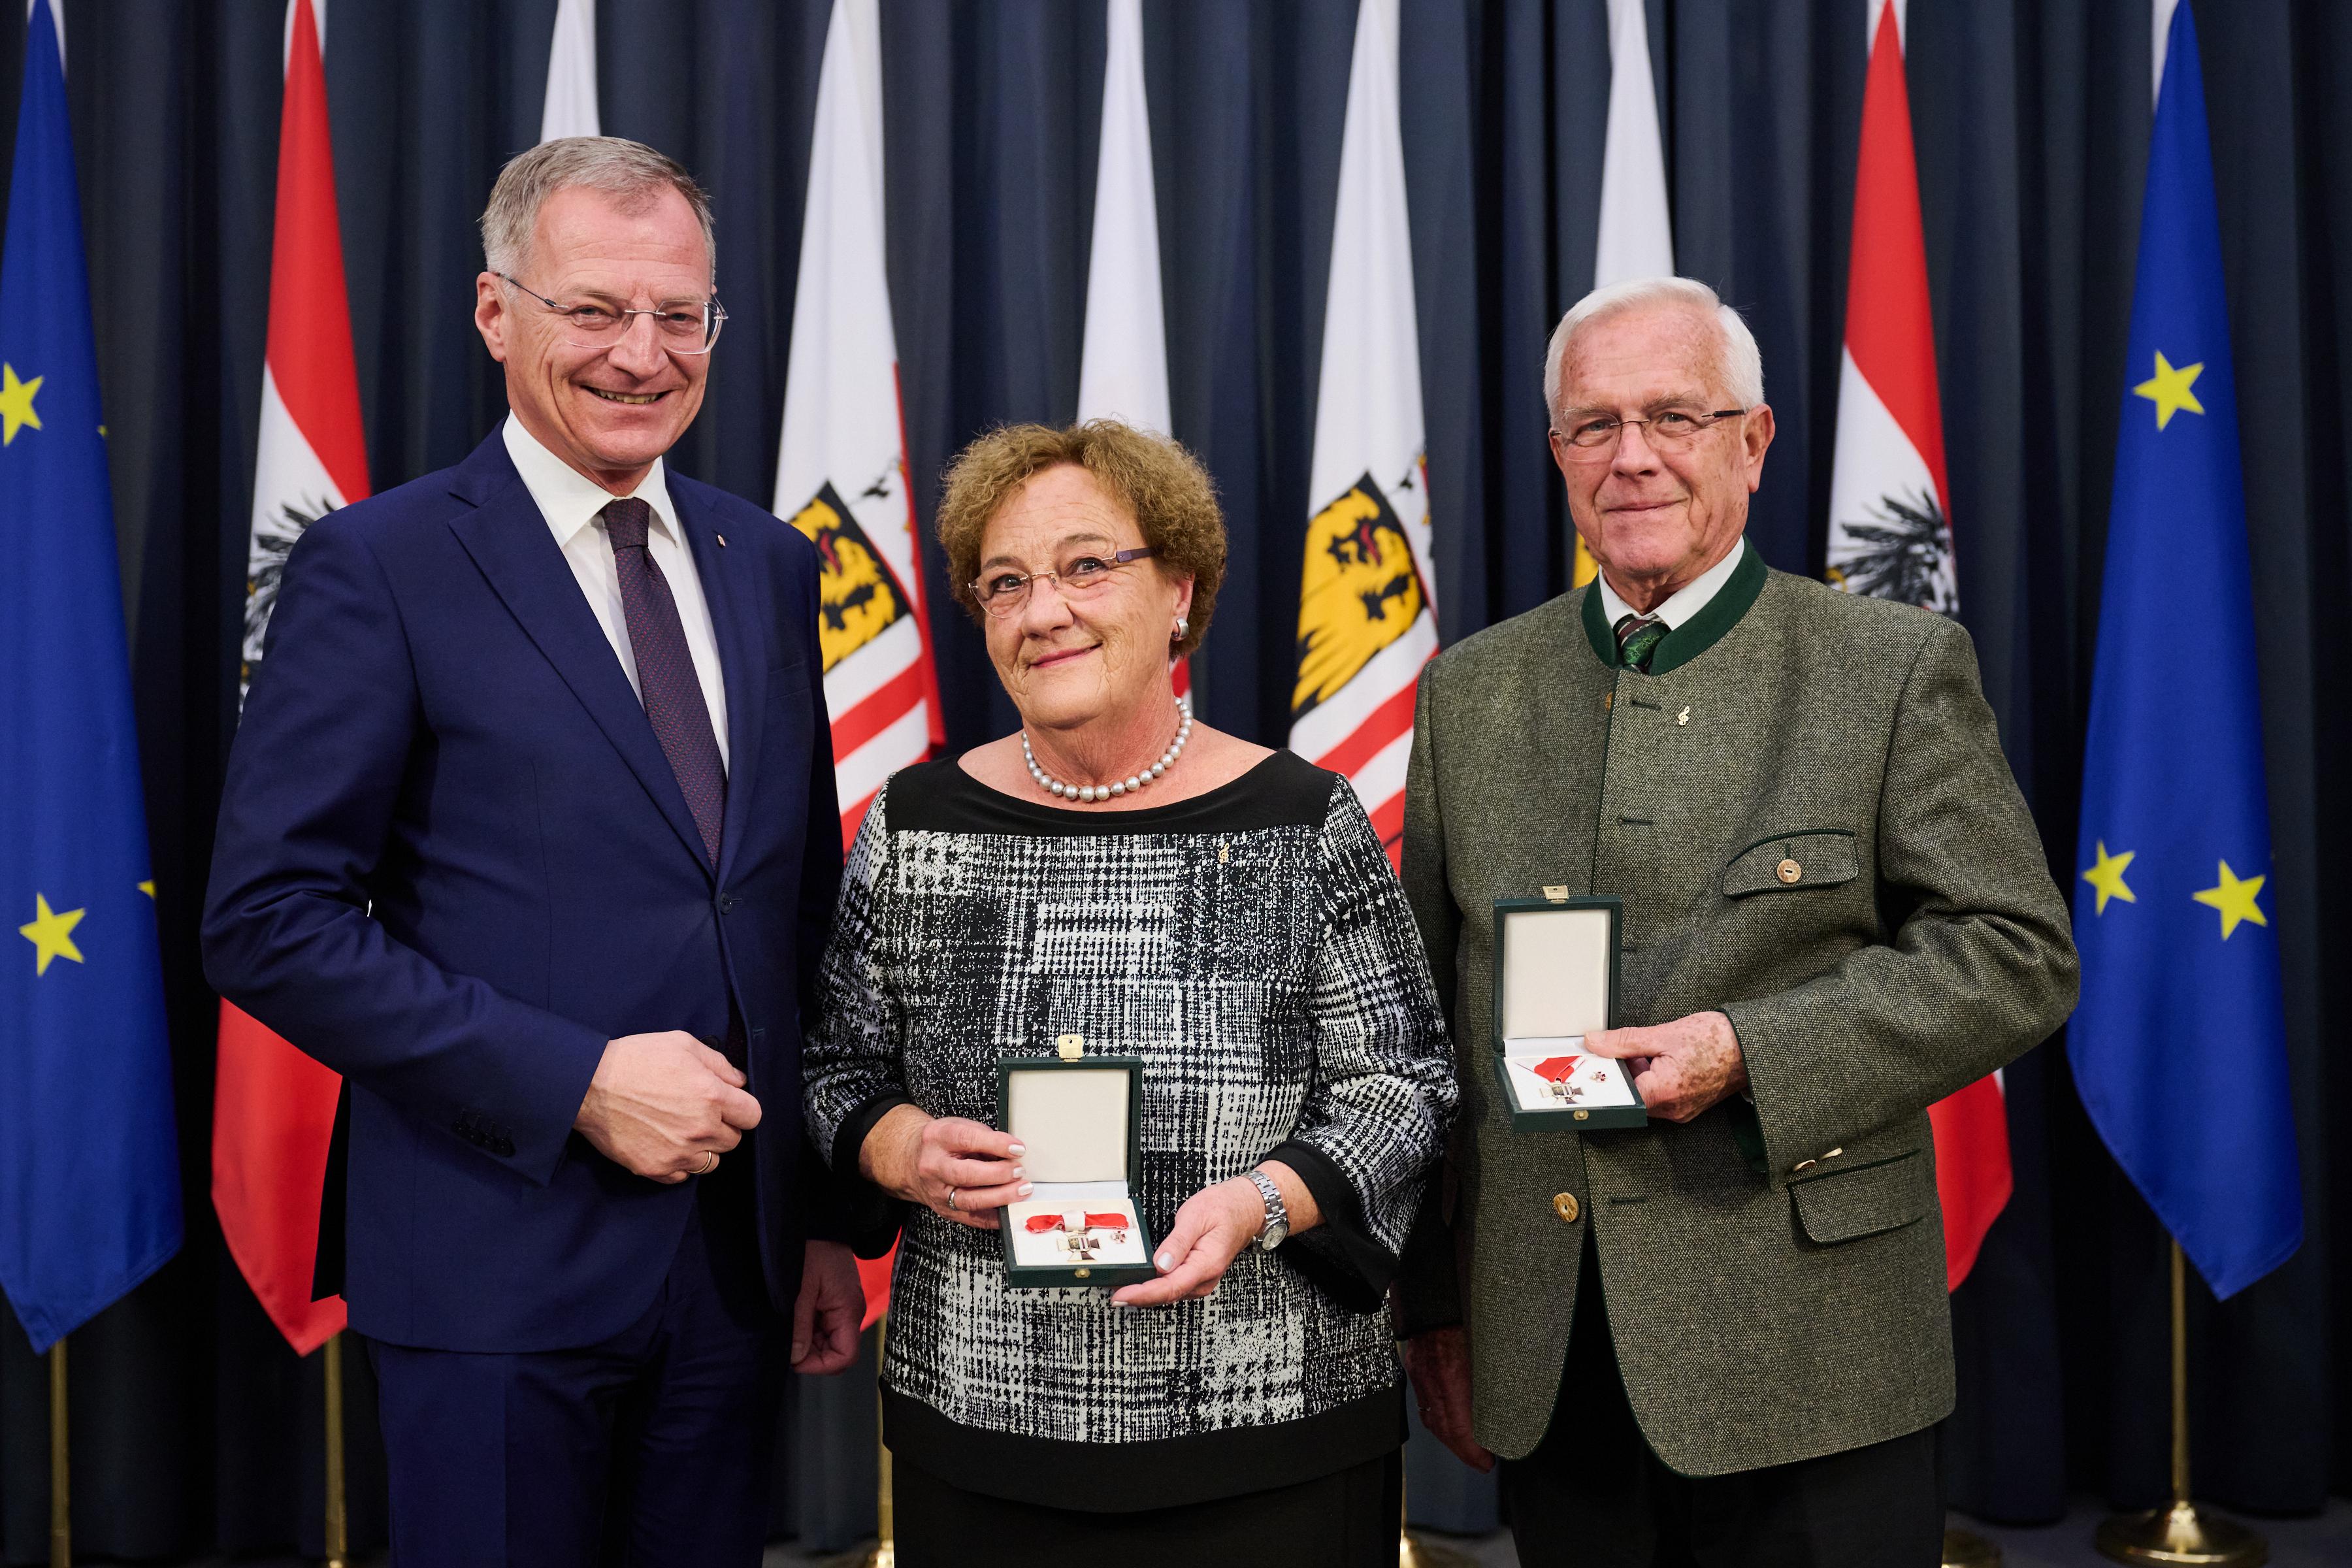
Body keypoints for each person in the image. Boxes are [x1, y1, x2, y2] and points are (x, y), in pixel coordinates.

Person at [202, 137, 862, 1567]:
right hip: (490, 1269)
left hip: (733, 1275)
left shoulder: (769, 565)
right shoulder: (379, 566)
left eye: (679, 315)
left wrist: (816, 1212)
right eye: (595, 310)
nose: (642, 354)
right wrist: (579, 1083)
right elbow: (267, 919)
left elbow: (792, 910)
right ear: (497, 313)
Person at [1393, 278, 2080, 1567]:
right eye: (1594, 425)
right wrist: (1434, 1303)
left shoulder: (1889, 668)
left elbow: (2016, 954)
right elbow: (1421, 1031)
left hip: (1816, 1354)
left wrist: (1751, 1053)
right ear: (1558, 454)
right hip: (1552, 1348)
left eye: (1674, 416)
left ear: (1753, 443)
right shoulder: (1470, 693)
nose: (1632, 456)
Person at [802, 421, 1458, 1566]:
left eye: (1087, 566)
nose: (1045, 610)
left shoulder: (1303, 819)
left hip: (1274, 1420)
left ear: (1179, 592)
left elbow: (1405, 1082)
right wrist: (899, 1147)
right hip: (984, 1422)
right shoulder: (913, 826)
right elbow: (832, 1069)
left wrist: (1263, 1200)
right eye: (1007, 583)